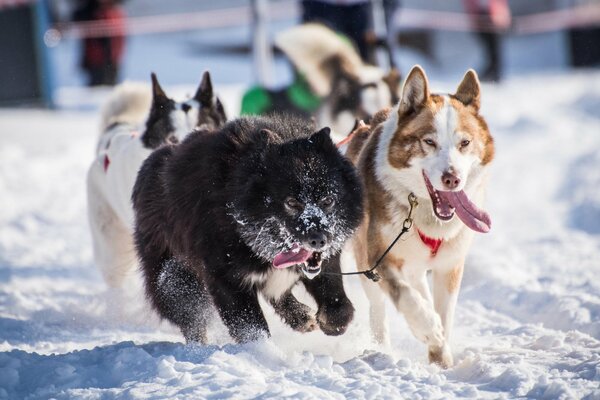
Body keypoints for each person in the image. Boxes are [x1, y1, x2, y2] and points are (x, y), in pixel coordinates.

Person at [72, 0, 126, 86]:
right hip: (95, 62)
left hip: (112, 60)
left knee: (111, 84)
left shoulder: (114, 13)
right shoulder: (90, 12)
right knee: (97, 87)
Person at [464, 0, 511, 82]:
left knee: (494, 46)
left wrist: (501, 16)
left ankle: (494, 71)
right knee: (488, 46)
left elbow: (500, 4)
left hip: (495, 18)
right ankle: (491, 69)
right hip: (480, 17)